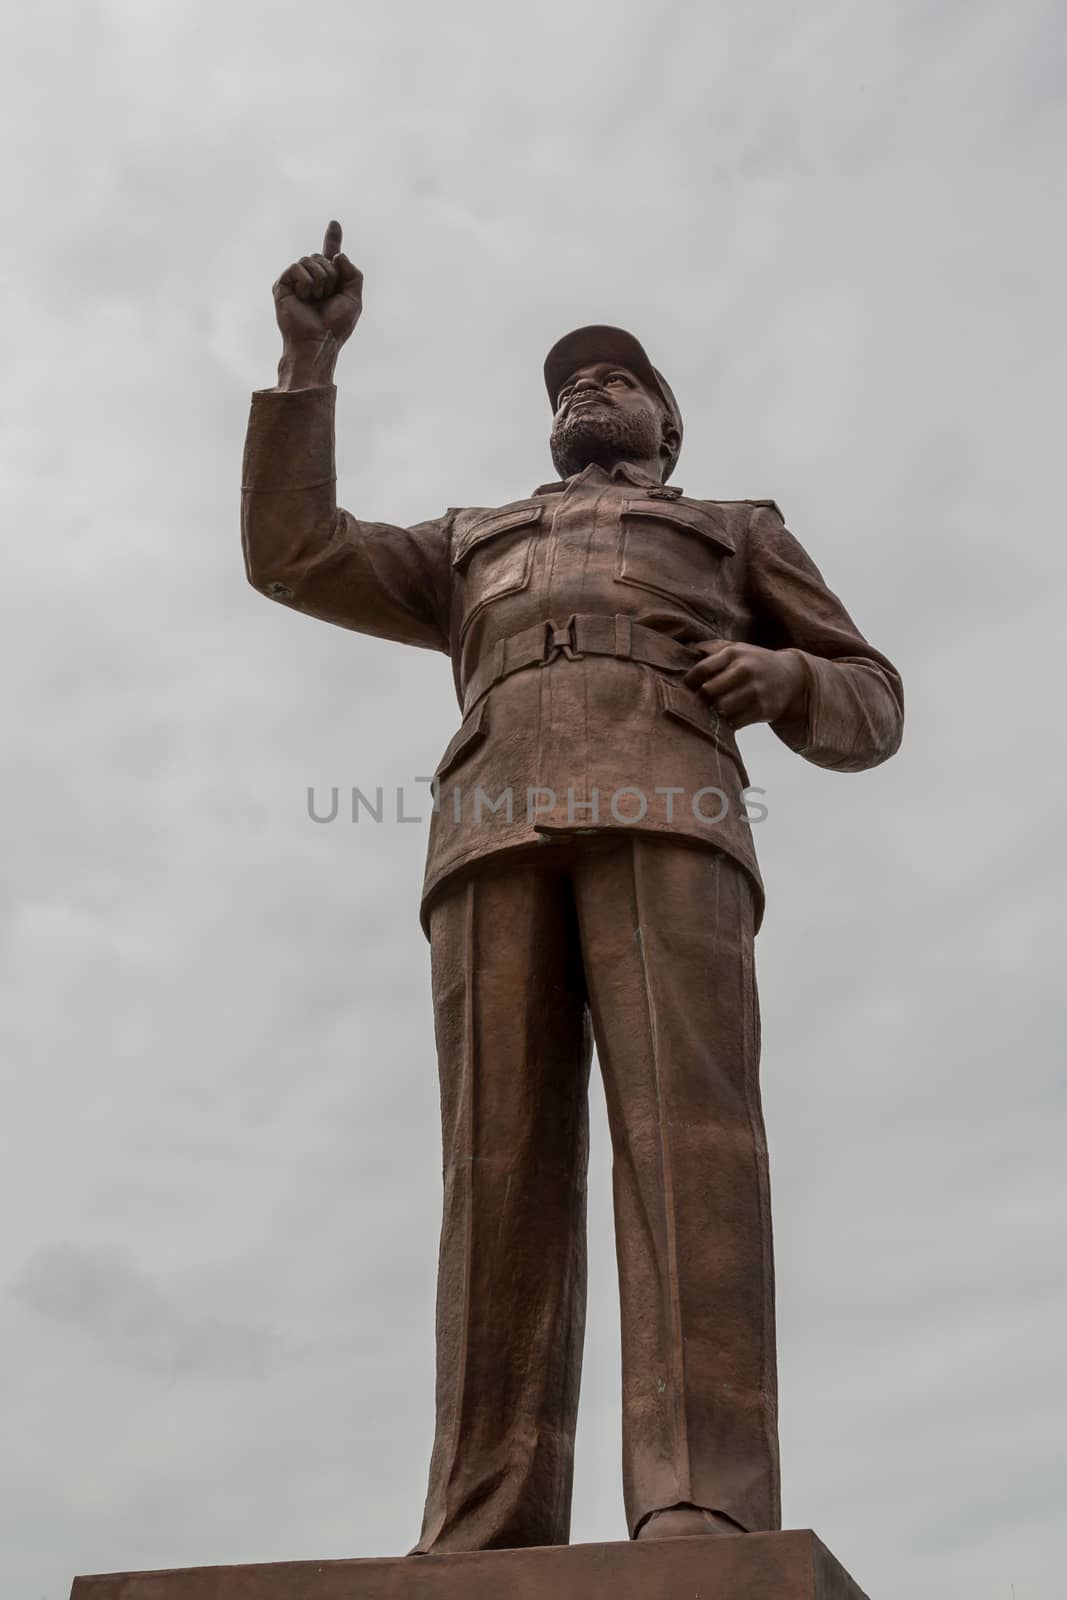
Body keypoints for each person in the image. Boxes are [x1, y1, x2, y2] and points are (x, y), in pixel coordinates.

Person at [240, 221, 903, 1553]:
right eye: (566, 387)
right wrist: (306, 365)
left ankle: (699, 1498)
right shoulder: (471, 539)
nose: (586, 393)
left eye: (617, 380)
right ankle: (486, 1515)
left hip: (671, 815)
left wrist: (786, 679)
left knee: (691, 1159)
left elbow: (872, 698)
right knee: (496, 1176)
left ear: (669, 425)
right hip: (491, 828)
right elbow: (295, 554)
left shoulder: (730, 527)